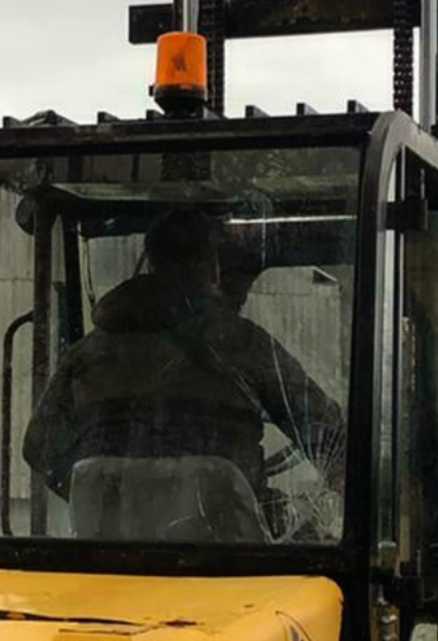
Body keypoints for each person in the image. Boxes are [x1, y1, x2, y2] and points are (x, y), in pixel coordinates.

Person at [22, 210, 343, 542]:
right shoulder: (242, 345)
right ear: (211, 267)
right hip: (232, 568)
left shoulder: (88, 352)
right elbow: (328, 432)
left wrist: (111, 496)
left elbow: (38, 446)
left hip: (111, 560)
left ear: (150, 265)